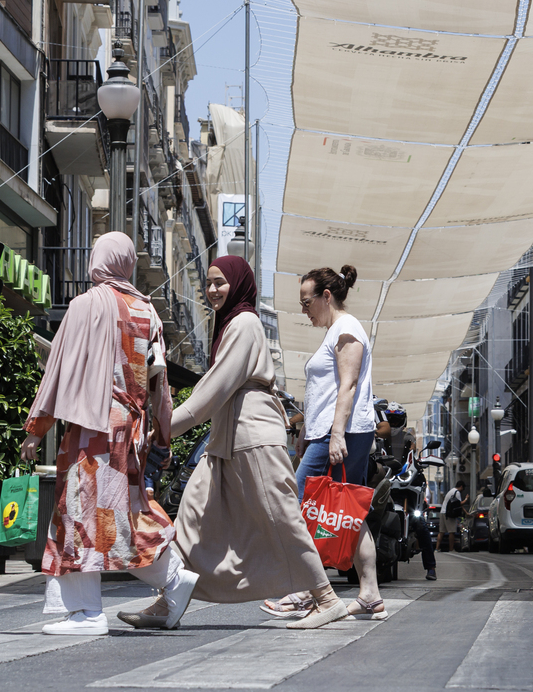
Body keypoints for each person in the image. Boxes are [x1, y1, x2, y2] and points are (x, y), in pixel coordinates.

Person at [119, 256, 349, 630]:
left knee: (281, 518)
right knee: (191, 519)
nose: (211, 290)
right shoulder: (229, 324)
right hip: (226, 440)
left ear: (239, 283)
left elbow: (212, 390)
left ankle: (326, 598)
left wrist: (162, 427)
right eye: (208, 283)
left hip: (253, 437)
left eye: (220, 282)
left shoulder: (244, 323)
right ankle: (169, 599)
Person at [19, 232, 198, 636]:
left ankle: (86, 613)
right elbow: (160, 386)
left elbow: (58, 372)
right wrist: (163, 439)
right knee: (123, 515)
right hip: (129, 432)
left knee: (79, 514)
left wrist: (37, 428)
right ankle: (173, 578)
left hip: (91, 430)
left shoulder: (85, 306)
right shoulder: (147, 312)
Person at [263, 265, 386, 621]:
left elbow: (347, 386)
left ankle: (305, 592)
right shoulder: (336, 330)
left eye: (306, 302)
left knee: (299, 505)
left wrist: (333, 435)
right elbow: (326, 390)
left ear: (326, 296)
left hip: (341, 433)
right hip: (329, 432)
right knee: (347, 512)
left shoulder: (346, 329)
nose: (304, 310)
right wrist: (305, 431)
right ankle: (370, 594)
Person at [438, 481, 467, 553]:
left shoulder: (450, 491)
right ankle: (451, 549)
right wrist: (466, 499)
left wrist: (466, 512)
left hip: (442, 512)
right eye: (462, 489)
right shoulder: (457, 492)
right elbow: (460, 503)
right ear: (461, 487)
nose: (462, 490)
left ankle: (437, 548)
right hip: (449, 514)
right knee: (452, 532)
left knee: (441, 532)